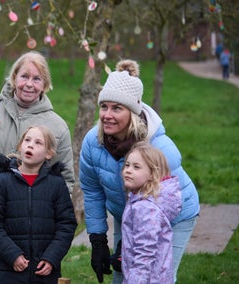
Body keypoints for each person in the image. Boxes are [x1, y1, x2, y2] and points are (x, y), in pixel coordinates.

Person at [0, 51, 75, 275]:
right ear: (13, 78)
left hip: (33, 225)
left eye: (37, 79)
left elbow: (66, 180)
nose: (29, 84)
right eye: (24, 76)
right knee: (1, 275)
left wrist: (49, 220)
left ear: (45, 84)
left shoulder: (56, 126)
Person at [79, 59, 200, 283]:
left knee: (156, 275)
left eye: (117, 108)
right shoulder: (92, 142)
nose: (107, 114)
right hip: (128, 212)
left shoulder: (158, 147)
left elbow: (166, 199)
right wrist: (98, 241)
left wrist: (130, 243)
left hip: (171, 214)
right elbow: (92, 189)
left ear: (132, 113)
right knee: (122, 275)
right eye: (104, 106)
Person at [0, 126, 77, 284]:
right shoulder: (1, 182)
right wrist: (12, 254)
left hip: (44, 272)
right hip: (9, 271)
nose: (30, 145)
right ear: (20, 146)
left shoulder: (56, 184)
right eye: (27, 140)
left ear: (48, 153)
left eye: (38, 143)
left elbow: (66, 224)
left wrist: (51, 258)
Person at [121, 141, 182, 283]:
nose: (128, 170)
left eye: (136, 167)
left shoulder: (145, 208)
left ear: (152, 174)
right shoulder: (140, 199)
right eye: (127, 165)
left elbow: (145, 253)